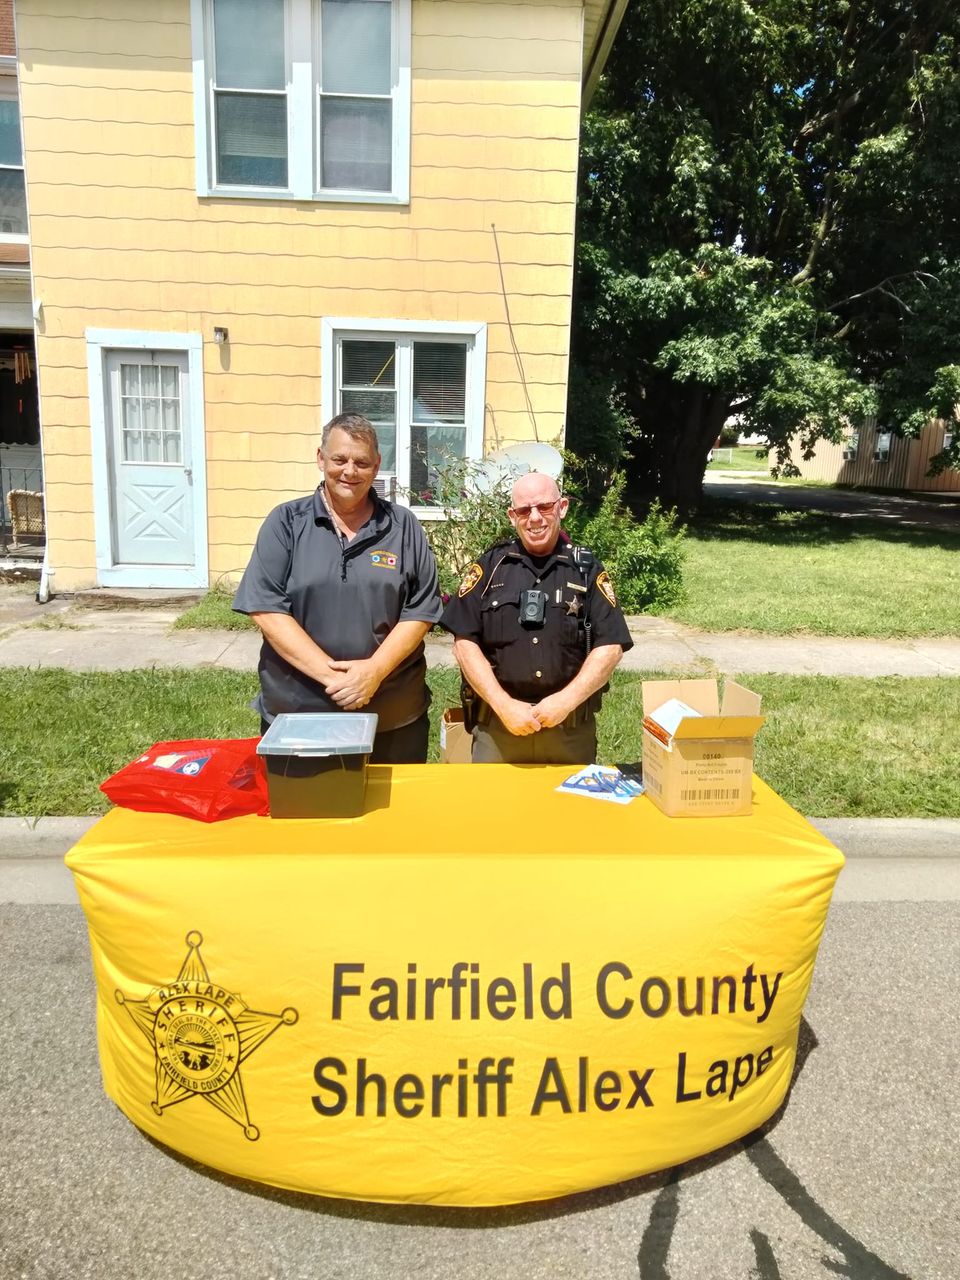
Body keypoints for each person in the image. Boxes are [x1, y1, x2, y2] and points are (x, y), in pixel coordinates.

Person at [233, 413, 442, 763]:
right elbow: (267, 608)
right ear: (320, 459)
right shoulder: (286, 522)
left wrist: (373, 673)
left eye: (361, 462)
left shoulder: (403, 526)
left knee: (393, 818)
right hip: (299, 713)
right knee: (304, 815)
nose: (349, 471)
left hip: (391, 716)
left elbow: (420, 611)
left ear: (376, 466)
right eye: (339, 460)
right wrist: (336, 678)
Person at [440, 470, 633, 763]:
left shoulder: (586, 569)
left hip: (568, 731)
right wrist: (503, 705)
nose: (535, 518)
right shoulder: (490, 567)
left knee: (569, 809)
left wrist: (564, 703)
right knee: (495, 808)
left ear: (562, 508)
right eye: (524, 510)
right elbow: (464, 643)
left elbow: (610, 646)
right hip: (499, 730)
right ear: (511, 515)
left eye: (544, 507)